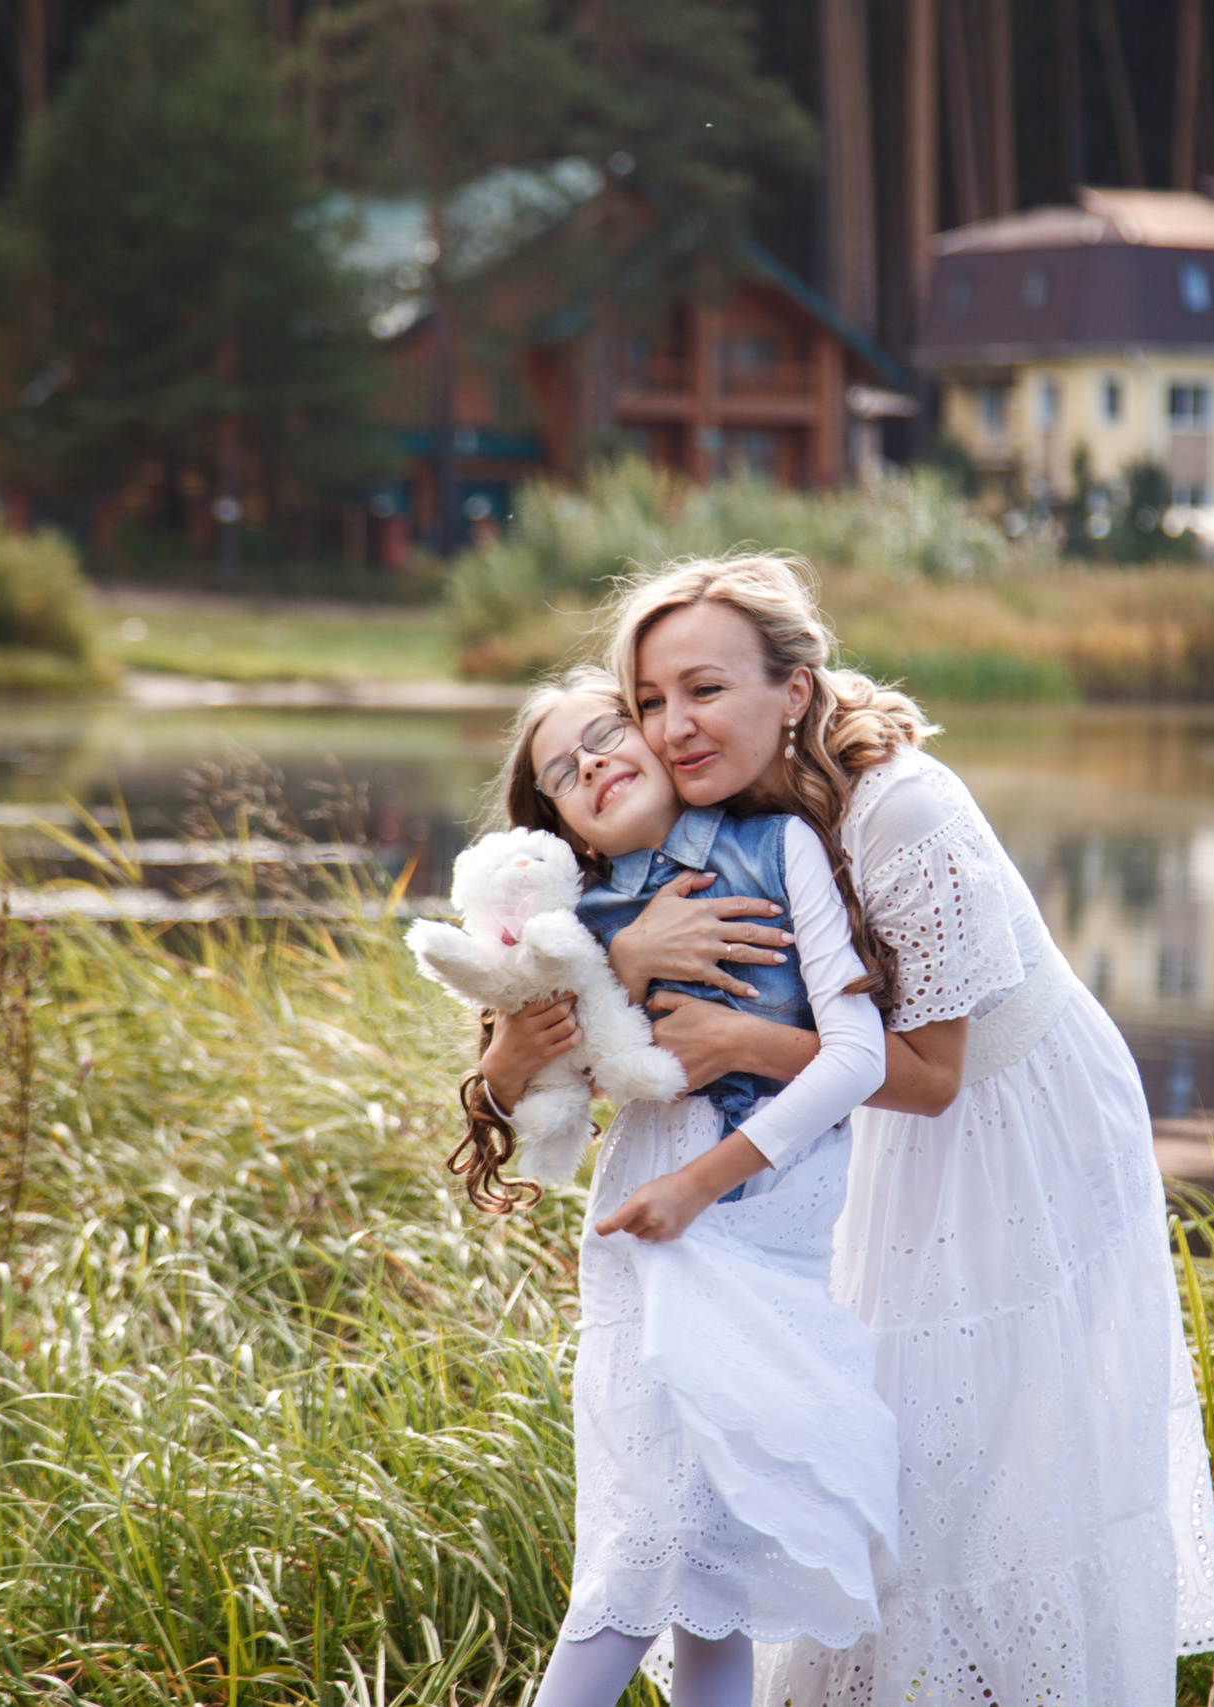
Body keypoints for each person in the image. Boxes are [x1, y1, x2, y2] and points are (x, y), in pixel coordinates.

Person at [593, 558, 1214, 1707]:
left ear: (793, 691)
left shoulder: (903, 808)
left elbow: (938, 1075)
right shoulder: (713, 816)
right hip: (870, 1117)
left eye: (703, 690)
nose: (672, 727)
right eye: (649, 700)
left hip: (1018, 1123)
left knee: (985, 1452)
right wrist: (620, 961)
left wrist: (742, 1048)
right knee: (873, 1437)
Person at [462, 668, 899, 1707]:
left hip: (769, 1216)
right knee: (643, 1535)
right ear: (558, 823)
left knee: (719, 1560)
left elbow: (860, 1055)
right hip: (648, 1226)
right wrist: (613, 965)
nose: (595, 763)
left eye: (608, 730)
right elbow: (506, 1083)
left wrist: (704, 1179)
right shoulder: (567, 923)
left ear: (658, 735)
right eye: (563, 772)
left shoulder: (777, 845)